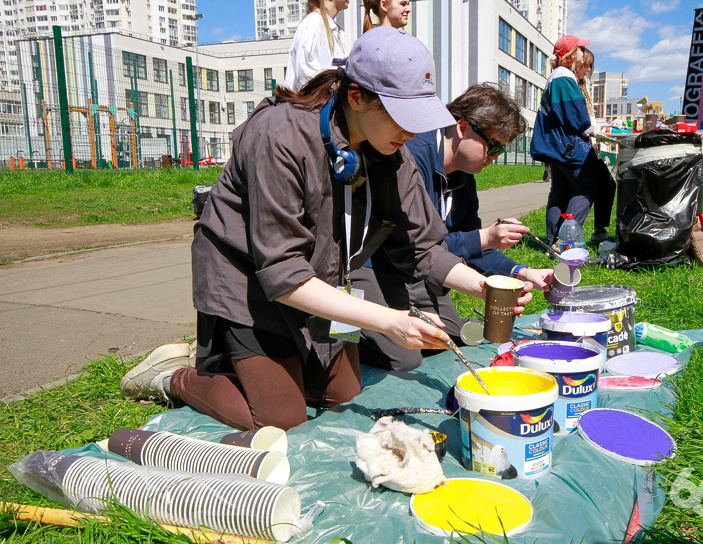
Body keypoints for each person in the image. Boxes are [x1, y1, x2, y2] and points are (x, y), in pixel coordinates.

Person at [119, 28, 533, 432]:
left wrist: (486, 289)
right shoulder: (278, 135)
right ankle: (173, 376)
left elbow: (425, 249)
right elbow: (282, 274)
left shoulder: (394, 154)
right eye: (402, 117)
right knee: (279, 418)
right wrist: (390, 321)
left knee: (343, 394)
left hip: (327, 282)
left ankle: (267, 361)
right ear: (357, 97)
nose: (411, 132)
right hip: (250, 285)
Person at [351, 83, 554, 371]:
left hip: (414, 270)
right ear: (462, 127)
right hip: (371, 263)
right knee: (405, 356)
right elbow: (413, 245)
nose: (495, 157)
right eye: (493, 145)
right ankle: (340, 330)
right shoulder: (410, 156)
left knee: (449, 335)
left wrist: (521, 272)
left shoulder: (462, 176)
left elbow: (470, 247)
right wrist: (484, 238)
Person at [530, 34, 612, 246]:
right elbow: (577, 117)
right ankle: (565, 241)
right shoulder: (564, 78)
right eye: (579, 49)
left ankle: (552, 241)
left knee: (560, 190)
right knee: (588, 186)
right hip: (567, 146)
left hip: (555, 146)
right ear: (569, 55)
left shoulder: (558, 76)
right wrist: (593, 128)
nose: (582, 53)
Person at [575, 48, 616, 244]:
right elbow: (576, 119)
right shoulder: (569, 83)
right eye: (587, 65)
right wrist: (593, 129)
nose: (589, 69)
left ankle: (598, 229)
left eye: (591, 66)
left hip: (586, 142)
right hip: (576, 145)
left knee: (607, 180)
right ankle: (572, 233)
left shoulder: (581, 84)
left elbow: (586, 118)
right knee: (597, 182)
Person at [283, 0, 350, 91]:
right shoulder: (313, 22)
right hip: (312, 103)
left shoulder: (335, 29)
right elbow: (305, 73)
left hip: (326, 102)